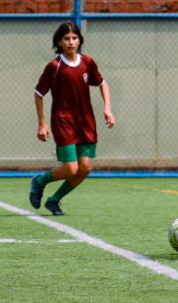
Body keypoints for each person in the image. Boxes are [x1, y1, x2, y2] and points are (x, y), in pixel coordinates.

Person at [29, 22, 115, 216]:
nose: (70, 42)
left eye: (74, 38)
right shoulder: (54, 66)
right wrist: (42, 123)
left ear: (79, 40)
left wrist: (108, 109)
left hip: (86, 122)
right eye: (66, 39)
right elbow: (38, 93)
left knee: (84, 168)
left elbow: (102, 84)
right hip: (63, 121)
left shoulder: (88, 62)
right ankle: (40, 181)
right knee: (71, 168)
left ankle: (54, 200)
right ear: (59, 42)